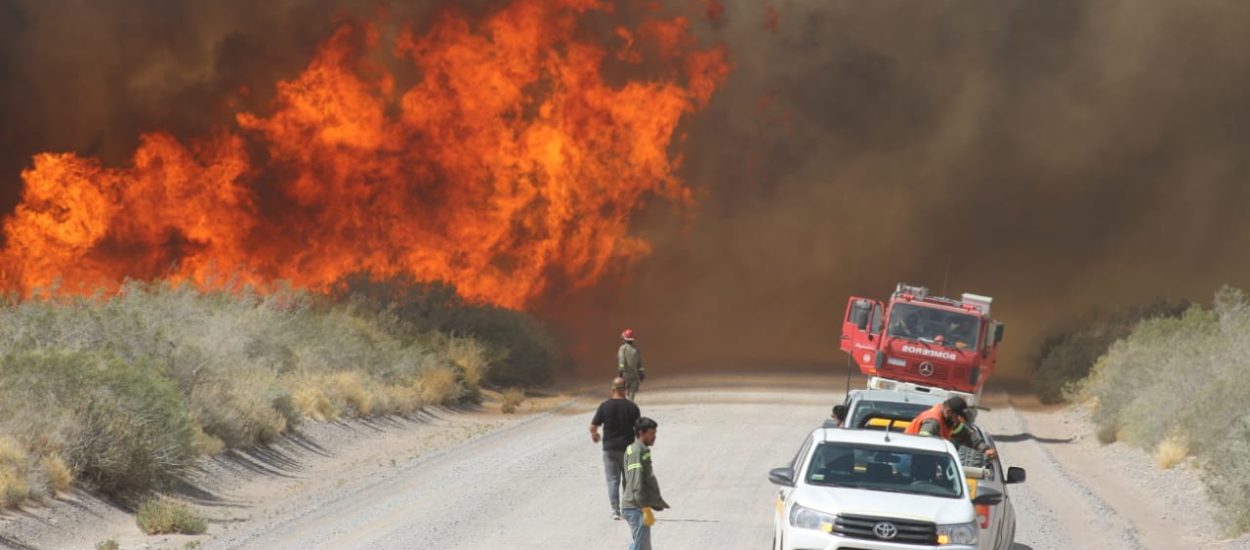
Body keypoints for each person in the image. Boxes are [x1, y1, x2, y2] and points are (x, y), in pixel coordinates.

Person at [590, 377, 642, 521]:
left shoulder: (604, 406)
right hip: (627, 449)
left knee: (613, 480)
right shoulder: (632, 407)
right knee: (627, 480)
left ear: (612, 389)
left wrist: (595, 435)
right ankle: (626, 510)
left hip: (610, 449)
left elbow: (593, 427)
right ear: (625, 389)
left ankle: (615, 511)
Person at [622, 417, 669, 550]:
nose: (654, 437)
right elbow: (636, 481)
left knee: (640, 546)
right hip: (635, 507)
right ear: (641, 433)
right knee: (641, 548)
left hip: (636, 506)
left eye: (655, 433)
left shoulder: (641, 450)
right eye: (652, 433)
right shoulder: (636, 451)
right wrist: (644, 507)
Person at [905, 396, 998, 459]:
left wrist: (985, 449)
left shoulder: (950, 420)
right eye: (957, 417)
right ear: (949, 412)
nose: (958, 421)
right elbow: (923, 445)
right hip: (909, 457)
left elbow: (966, 436)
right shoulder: (933, 422)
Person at [617, 329, 645, 400]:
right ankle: (631, 407)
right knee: (632, 395)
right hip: (635, 375)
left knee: (623, 393)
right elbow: (639, 363)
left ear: (624, 338)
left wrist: (620, 371)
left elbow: (622, 361)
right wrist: (641, 373)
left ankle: (624, 407)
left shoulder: (623, 348)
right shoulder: (635, 349)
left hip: (625, 374)